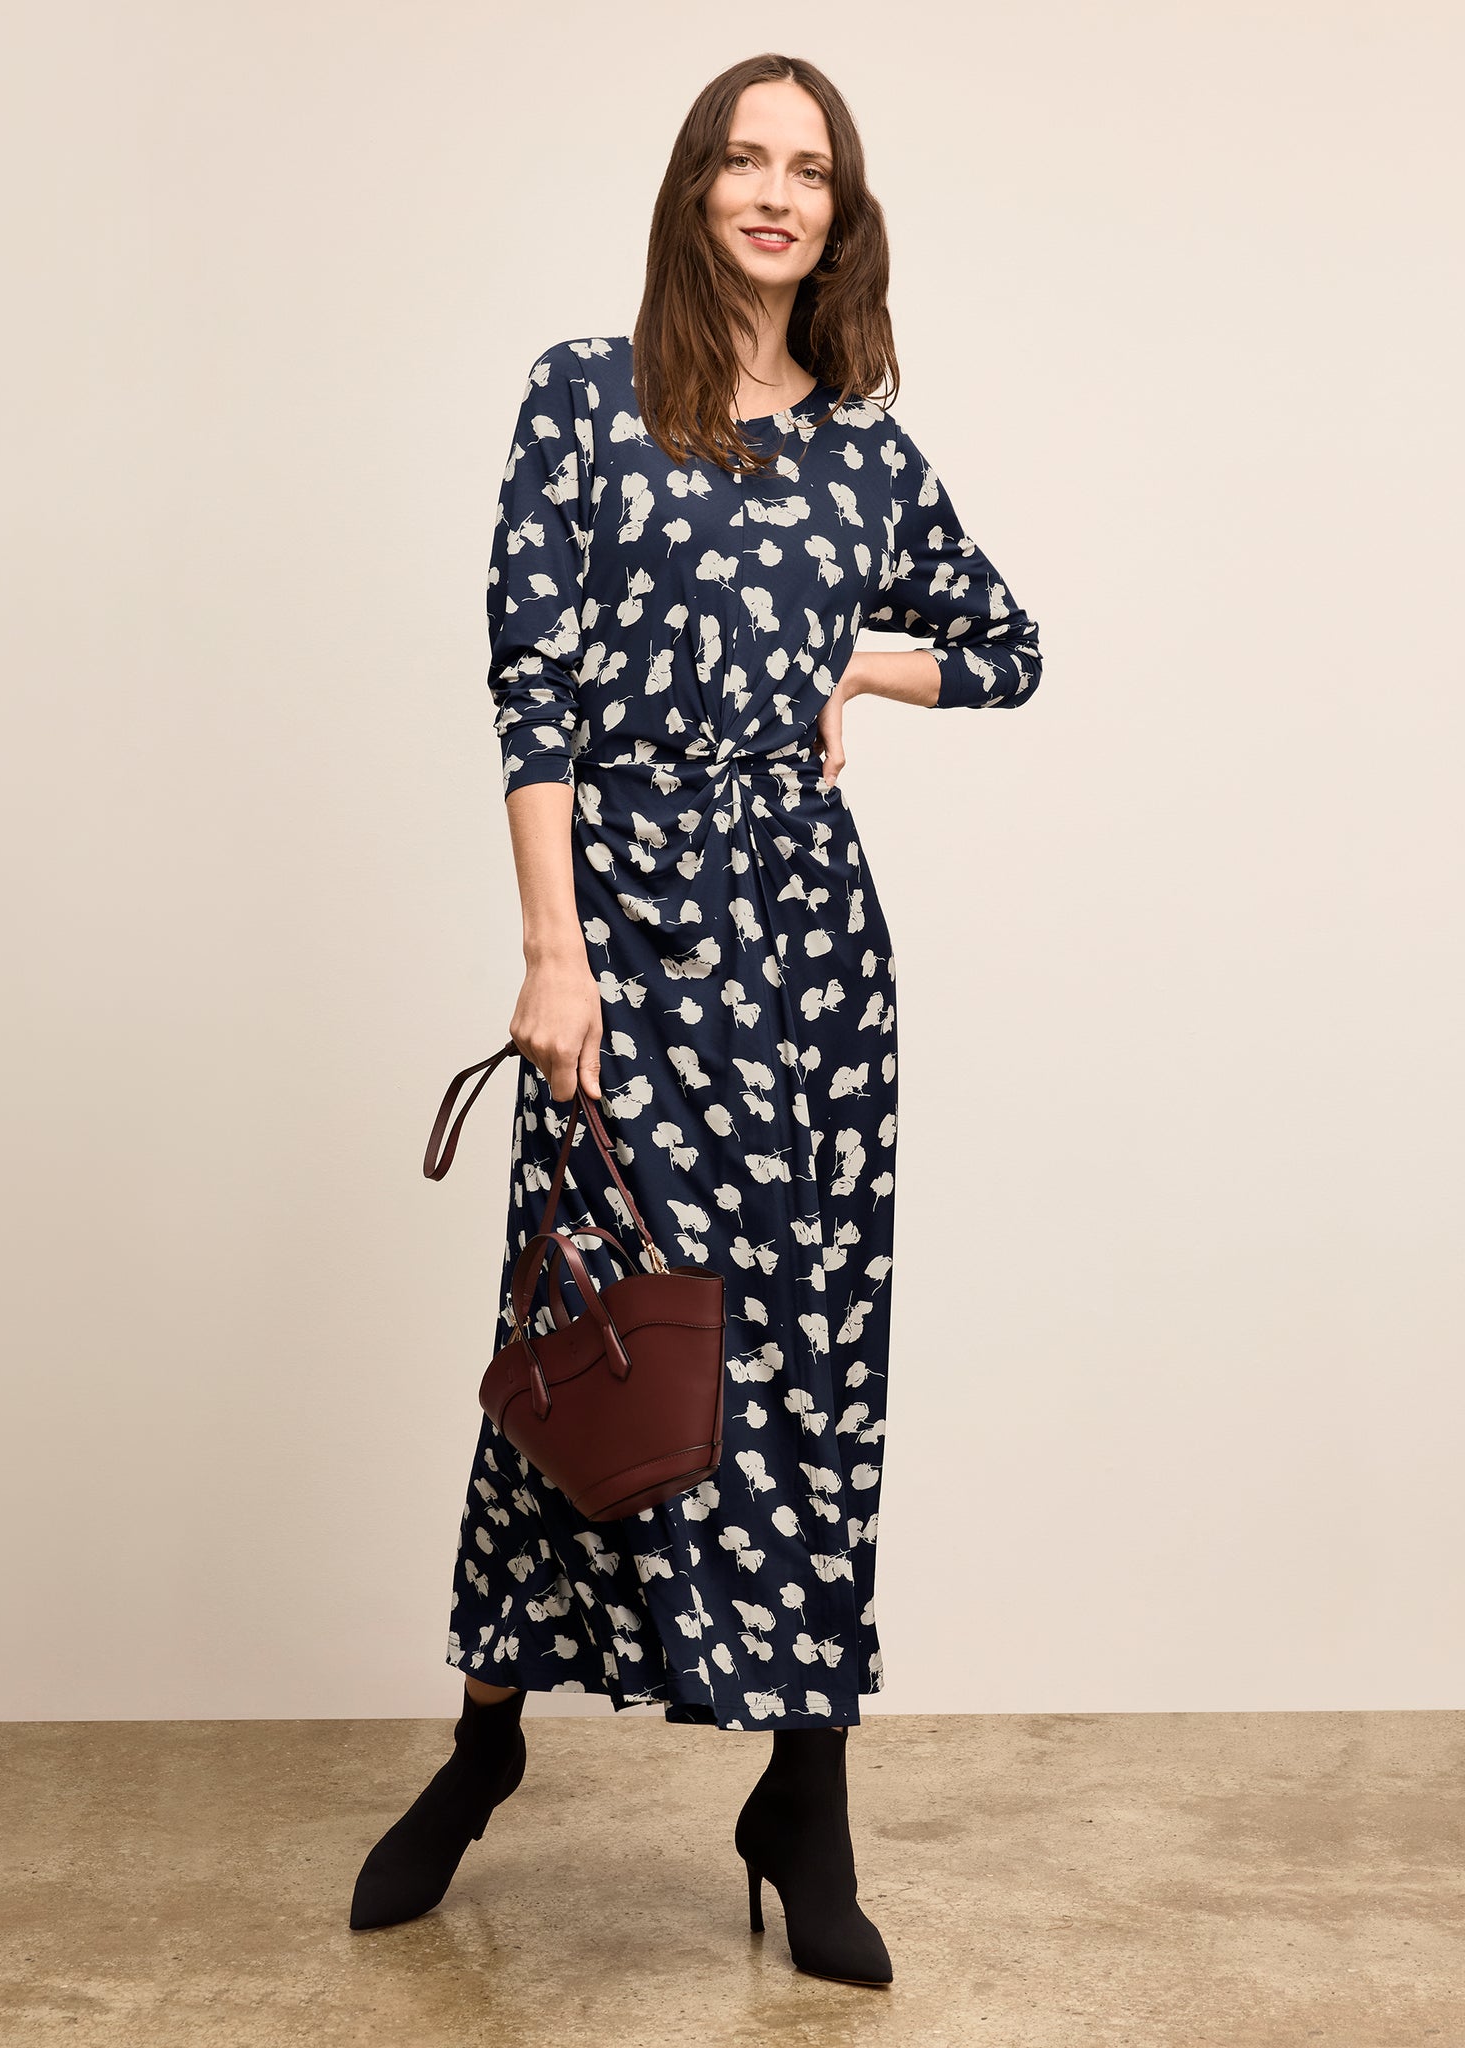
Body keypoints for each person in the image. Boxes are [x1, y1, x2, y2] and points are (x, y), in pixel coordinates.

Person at [349, 51, 1043, 1987]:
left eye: (805, 167)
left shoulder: (866, 453)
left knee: (809, 1367)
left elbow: (1011, 646)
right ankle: (483, 1746)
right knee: (583, 1330)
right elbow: (532, 692)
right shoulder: (583, 395)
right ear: (691, 189)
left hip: (810, 958)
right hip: (629, 936)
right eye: (743, 157)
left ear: (839, 210)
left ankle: (802, 1790)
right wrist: (551, 952)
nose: (772, 191)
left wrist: (860, 660)